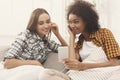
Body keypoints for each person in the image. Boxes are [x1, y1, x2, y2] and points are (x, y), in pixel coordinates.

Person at [0, 8, 69, 80]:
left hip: (31, 72)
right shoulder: (24, 36)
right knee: (42, 73)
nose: (46, 26)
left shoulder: (46, 42)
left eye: (48, 22)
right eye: (41, 23)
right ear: (34, 25)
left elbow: (67, 51)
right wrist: (34, 63)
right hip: (10, 71)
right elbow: (7, 63)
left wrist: (57, 34)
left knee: (42, 73)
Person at [63, 1, 120, 80]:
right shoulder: (80, 42)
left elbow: (115, 63)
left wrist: (85, 66)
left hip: (106, 72)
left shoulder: (104, 33)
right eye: (70, 22)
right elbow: (73, 65)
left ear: (87, 21)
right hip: (87, 74)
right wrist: (72, 37)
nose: (72, 26)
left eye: (76, 22)